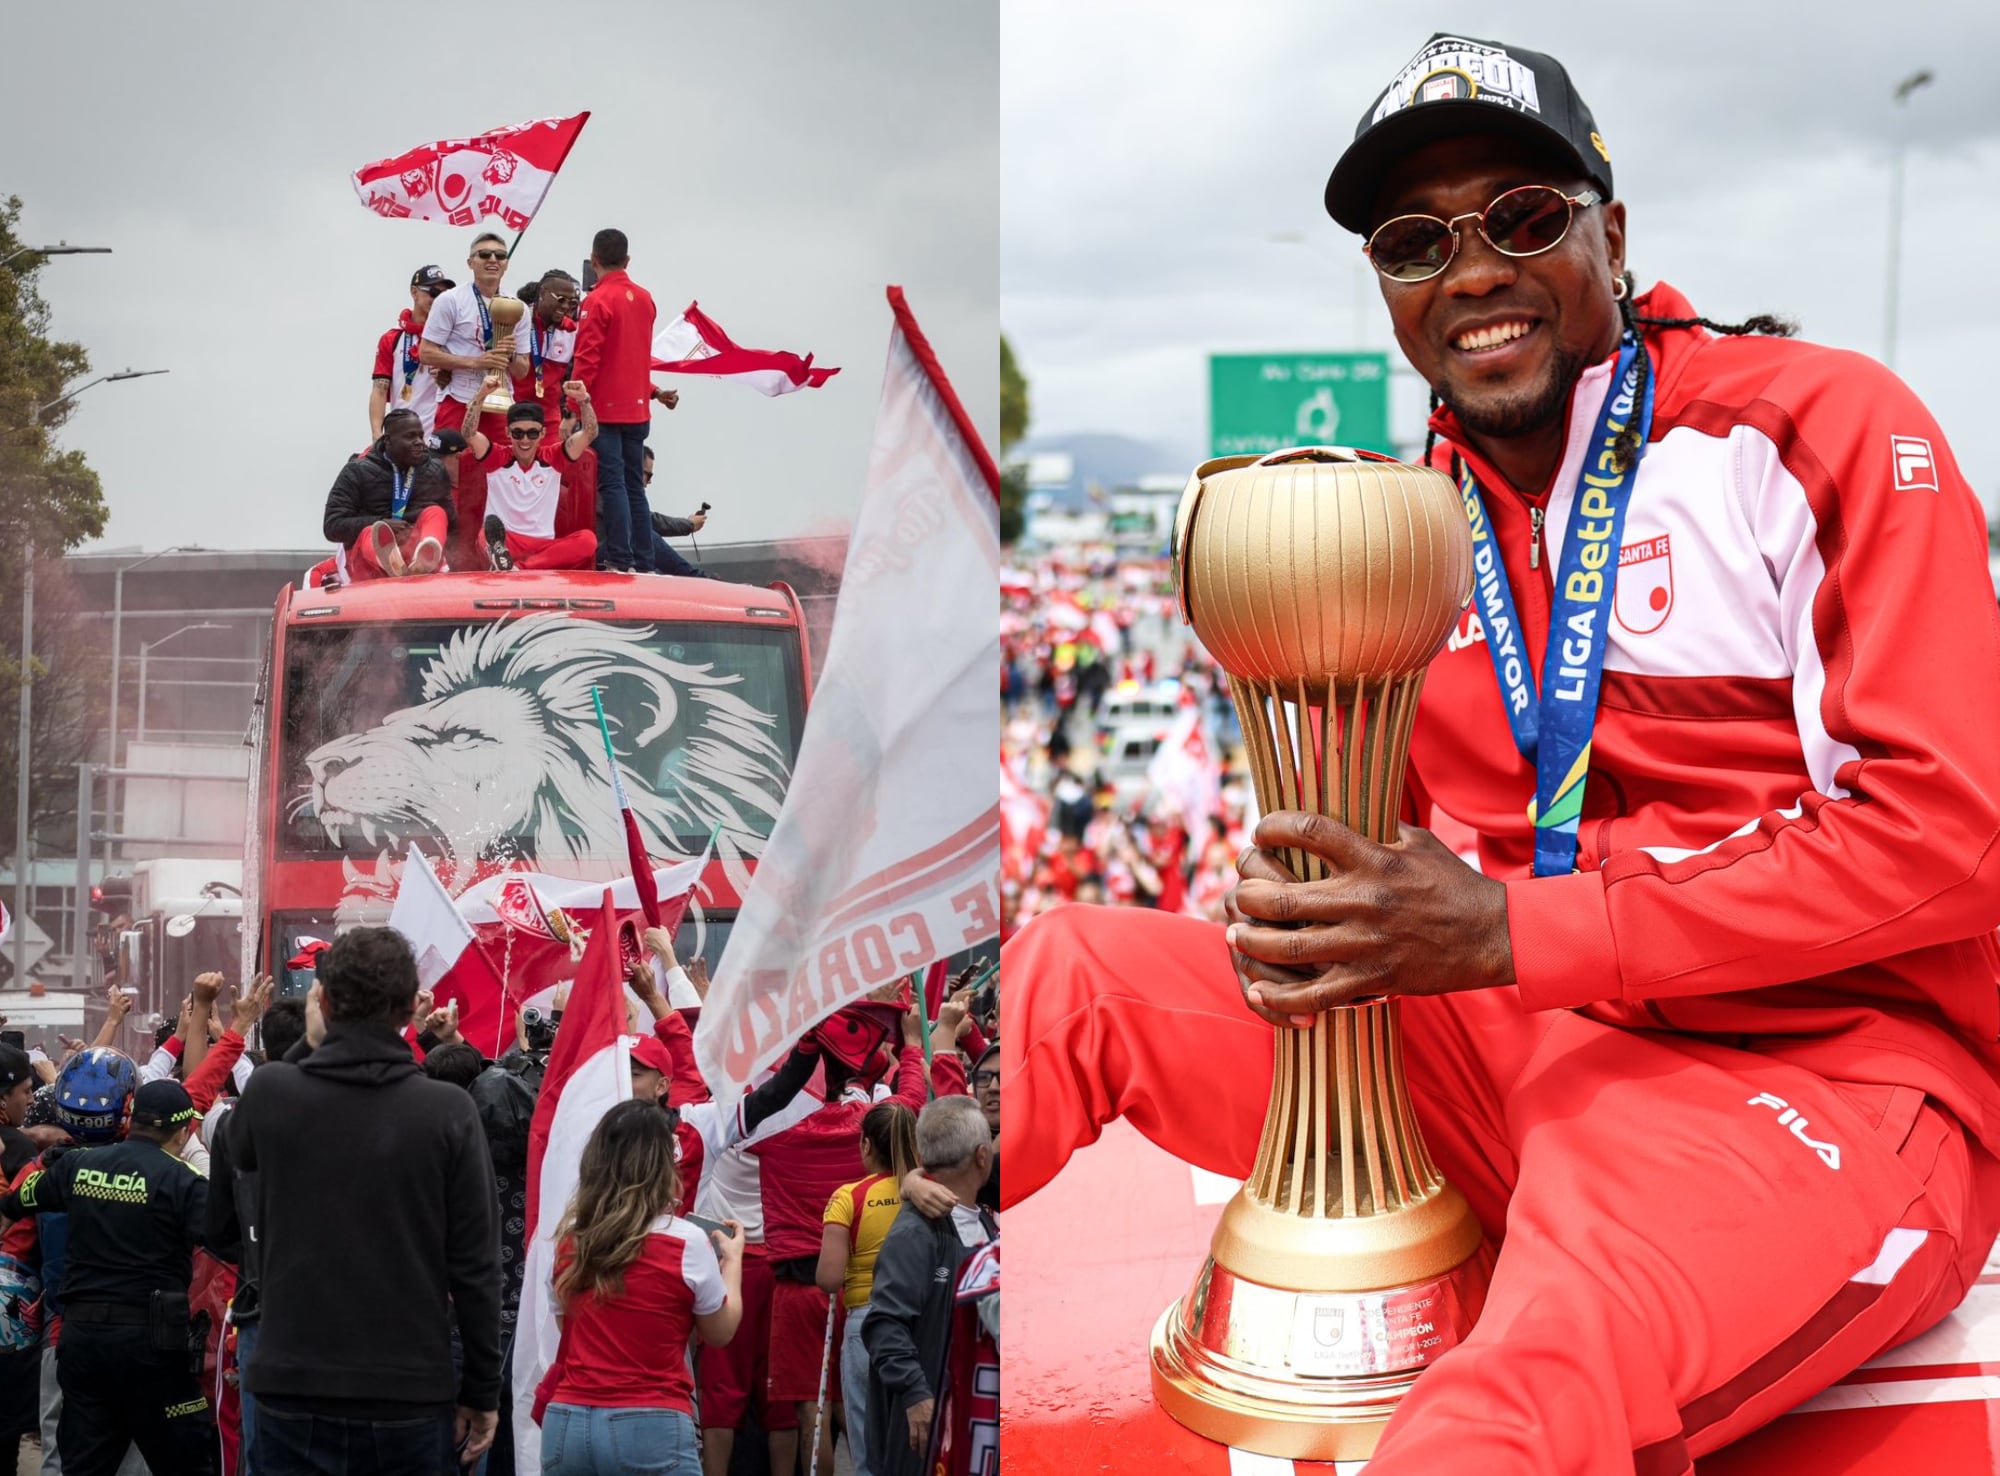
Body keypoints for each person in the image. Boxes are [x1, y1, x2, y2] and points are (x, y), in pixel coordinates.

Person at [1003, 31, 2000, 1476]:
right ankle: (810, 1340)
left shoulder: (1815, 424)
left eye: (1522, 218)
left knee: (1500, 1408)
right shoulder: (1413, 519)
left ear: (1612, 229)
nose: (1470, 272)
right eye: (1416, 241)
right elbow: (1405, 882)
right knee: (1061, 980)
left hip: (1808, 1074)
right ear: (1390, 291)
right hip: (1503, 1042)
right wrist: (1315, 917)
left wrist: (1519, 930)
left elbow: (1954, 837)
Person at [209, 926, 501, 1473]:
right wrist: (482, 1388)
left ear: (322, 1000)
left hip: (291, 1385)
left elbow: (237, 1144)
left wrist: (308, 1043)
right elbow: (476, 1268)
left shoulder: (274, 1091)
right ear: (411, 1007)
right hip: (409, 1392)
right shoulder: (447, 1112)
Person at [2, 1074, 214, 1476]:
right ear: (184, 1130)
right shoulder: (184, 1180)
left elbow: (15, 1204)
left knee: (82, 1465)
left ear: (131, 1117)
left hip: (82, 1343)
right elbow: (230, 1243)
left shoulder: (78, 1165)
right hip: (152, 1348)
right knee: (186, 1459)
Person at [532, 1100, 744, 1475]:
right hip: (649, 1419)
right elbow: (720, 1331)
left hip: (567, 1418)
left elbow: (571, 1327)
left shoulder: (569, 1239)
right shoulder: (685, 1241)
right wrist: (733, 1263)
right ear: (662, 1166)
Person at [861, 1096, 996, 1476]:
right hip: (933, 1431)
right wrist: (916, 1393)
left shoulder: (983, 1221)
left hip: (978, 1420)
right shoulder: (915, 1232)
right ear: (982, 1156)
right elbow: (885, 1324)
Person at [817, 1102, 920, 1476]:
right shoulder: (929, 1192)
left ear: (865, 1145)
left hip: (867, 1323)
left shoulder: (848, 1197)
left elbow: (828, 1278)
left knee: (867, 1444)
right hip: (919, 1322)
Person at [571, 227, 659, 572]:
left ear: (594, 262)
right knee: (635, 486)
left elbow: (587, 358)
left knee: (613, 484)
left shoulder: (596, 300)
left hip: (604, 409)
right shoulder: (646, 298)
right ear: (628, 260)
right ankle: (644, 558)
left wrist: (574, 405)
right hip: (638, 408)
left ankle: (621, 558)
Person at [459, 374, 601, 572]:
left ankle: (518, 568)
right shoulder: (496, 456)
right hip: (506, 542)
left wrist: (583, 400)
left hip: (543, 547)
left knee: (587, 540)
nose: (525, 440)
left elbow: (590, 433)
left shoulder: (554, 457)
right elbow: (468, 434)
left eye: (532, 433)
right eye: (518, 433)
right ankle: (505, 561)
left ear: (542, 434)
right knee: (485, 535)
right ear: (508, 433)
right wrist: (480, 396)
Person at [420, 232, 531, 438]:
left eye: (500, 256)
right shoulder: (450, 300)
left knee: (496, 468)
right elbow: (426, 353)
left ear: (506, 264)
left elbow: (522, 371)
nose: (492, 260)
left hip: (499, 402)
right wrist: (475, 362)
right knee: (452, 464)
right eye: (484, 254)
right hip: (459, 398)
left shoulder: (518, 308)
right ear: (471, 262)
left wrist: (510, 355)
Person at [322, 407, 454, 579]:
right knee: (371, 532)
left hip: (414, 549)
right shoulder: (356, 471)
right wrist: (382, 523)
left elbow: (452, 522)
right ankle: (390, 561)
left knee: (436, 513)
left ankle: (427, 555)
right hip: (367, 563)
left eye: (421, 436)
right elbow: (332, 526)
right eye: (410, 437)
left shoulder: (434, 469)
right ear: (388, 440)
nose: (419, 442)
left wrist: (413, 524)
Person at [370, 264, 454, 439]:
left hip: (442, 436)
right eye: (434, 293)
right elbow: (379, 390)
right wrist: (377, 435)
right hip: (404, 436)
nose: (439, 299)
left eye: (444, 294)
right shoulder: (392, 338)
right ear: (414, 292)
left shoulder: (453, 336)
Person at [640, 448, 711, 577]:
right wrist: (688, 525)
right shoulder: (612, 492)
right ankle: (697, 578)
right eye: (648, 475)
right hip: (605, 555)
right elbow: (647, 521)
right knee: (644, 535)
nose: (649, 481)